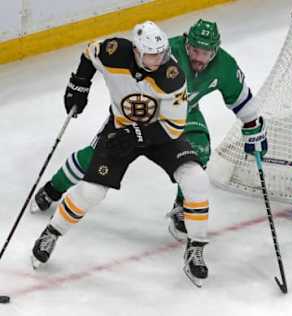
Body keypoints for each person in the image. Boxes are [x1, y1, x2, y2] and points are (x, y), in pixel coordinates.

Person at [30, 21, 255, 287]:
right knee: (92, 190)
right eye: (152, 55)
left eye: (161, 54)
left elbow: (173, 128)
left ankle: (195, 247)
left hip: (161, 135)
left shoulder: (172, 76)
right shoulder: (115, 52)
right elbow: (90, 53)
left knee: (196, 178)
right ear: (136, 51)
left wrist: (138, 135)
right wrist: (79, 84)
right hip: (120, 129)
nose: (159, 60)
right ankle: (52, 232)